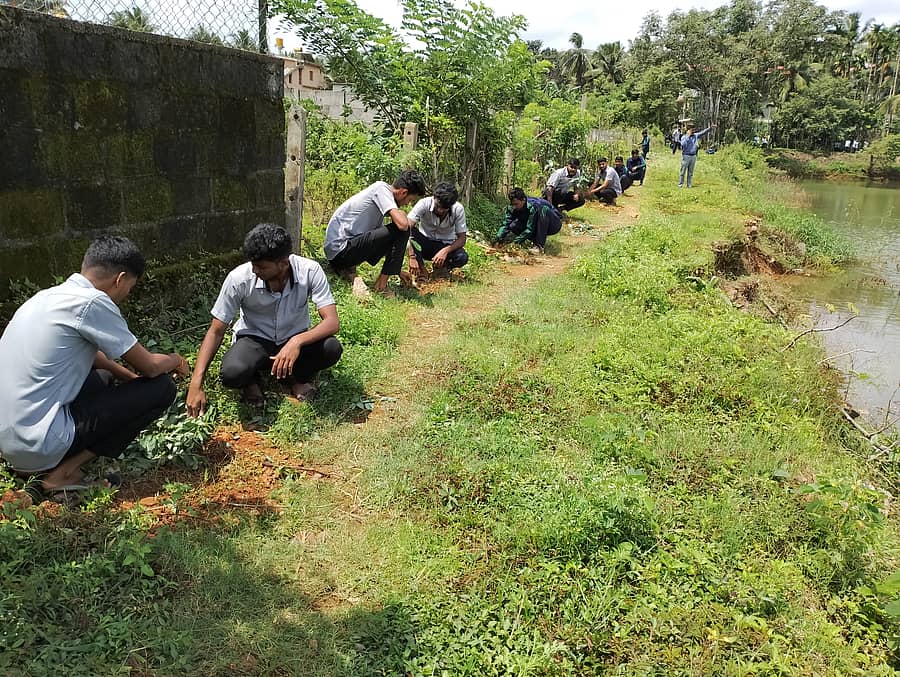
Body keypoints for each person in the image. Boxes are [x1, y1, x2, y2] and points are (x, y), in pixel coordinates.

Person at [0, 236, 189, 496]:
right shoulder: (92, 303)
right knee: (162, 388)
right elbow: (152, 367)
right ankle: (62, 474)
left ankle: (34, 464)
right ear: (120, 279)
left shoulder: (47, 297)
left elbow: (98, 358)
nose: (126, 295)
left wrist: (128, 378)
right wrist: (176, 359)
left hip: (10, 442)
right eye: (130, 288)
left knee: (102, 376)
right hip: (38, 444)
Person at [187, 224, 341, 413]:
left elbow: (332, 321)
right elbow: (216, 331)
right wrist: (195, 384)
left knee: (331, 349)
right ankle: (252, 380)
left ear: (283, 263)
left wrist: (296, 341)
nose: (254, 271)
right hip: (255, 340)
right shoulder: (238, 279)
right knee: (232, 373)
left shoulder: (310, 271)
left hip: (294, 338)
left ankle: (296, 378)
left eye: (261, 267)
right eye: (253, 264)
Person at [324, 170, 427, 299]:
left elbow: (384, 242)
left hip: (343, 252)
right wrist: (403, 215)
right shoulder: (381, 189)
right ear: (403, 192)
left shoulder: (380, 204)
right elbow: (403, 225)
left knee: (397, 232)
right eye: (410, 200)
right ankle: (381, 286)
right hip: (340, 250)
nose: (407, 204)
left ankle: (381, 280)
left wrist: (398, 271)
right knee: (403, 229)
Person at [405, 182, 468, 280]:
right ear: (434, 197)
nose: (440, 210)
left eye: (444, 209)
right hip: (424, 244)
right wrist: (412, 256)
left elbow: (462, 239)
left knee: (462, 257)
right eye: (438, 206)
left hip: (445, 245)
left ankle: (442, 268)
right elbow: (407, 227)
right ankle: (422, 270)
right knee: (410, 231)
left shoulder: (458, 209)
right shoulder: (423, 203)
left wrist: (445, 251)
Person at [494, 188, 562, 252]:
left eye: (516, 204)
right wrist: (498, 238)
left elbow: (529, 229)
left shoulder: (533, 206)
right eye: (512, 204)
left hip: (554, 223)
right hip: (536, 223)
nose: (514, 206)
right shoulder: (512, 207)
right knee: (513, 225)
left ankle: (539, 246)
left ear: (523, 200)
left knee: (543, 210)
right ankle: (535, 240)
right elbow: (506, 224)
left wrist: (515, 242)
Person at [678, 123, 716, 188]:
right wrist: (688, 136)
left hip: (693, 156)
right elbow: (683, 144)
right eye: (692, 130)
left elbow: (703, 132)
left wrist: (710, 128)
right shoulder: (684, 137)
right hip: (686, 156)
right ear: (688, 130)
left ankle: (689, 185)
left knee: (690, 172)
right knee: (683, 171)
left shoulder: (695, 135)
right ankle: (680, 185)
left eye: (693, 130)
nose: (693, 131)